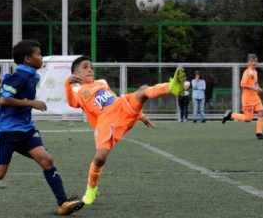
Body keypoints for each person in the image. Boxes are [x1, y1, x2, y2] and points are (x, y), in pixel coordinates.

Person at [0, 40, 84, 215]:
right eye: (39, 54)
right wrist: (31, 103)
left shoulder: (32, 75)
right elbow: (4, 100)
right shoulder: (18, 76)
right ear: (28, 59)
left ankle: (63, 203)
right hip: (7, 131)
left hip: (26, 130)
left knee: (46, 159)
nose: (41, 57)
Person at [65, 56, 186, 205]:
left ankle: (171, 87)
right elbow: (72, 103)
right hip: (105, 121)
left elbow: (112, 98)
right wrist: (67, 84)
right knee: (100, 158)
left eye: (91, 67)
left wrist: (140, 116)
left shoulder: (101, 82)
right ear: (75, 74)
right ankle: (91, 190)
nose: (90, 69)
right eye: (85, 67)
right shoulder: (79, 92)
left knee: (142, 90)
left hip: (120, 105)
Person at [222, 53, 263, 140]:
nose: (254, 62)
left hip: (255, 97)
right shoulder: (247, 72)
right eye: (252, 61)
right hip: (248, 99)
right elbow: (242, 84)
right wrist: (254, 87)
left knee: (261, 113)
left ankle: (259, 133)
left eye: (255, 61)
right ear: (248, 62)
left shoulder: (255, 72)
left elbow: (255, 84)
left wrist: (259, 88)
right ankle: (230, 114)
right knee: (248, 119)